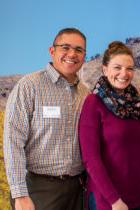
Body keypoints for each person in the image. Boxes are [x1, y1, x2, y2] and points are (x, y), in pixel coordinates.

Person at [3, 28, 90, 210]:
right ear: (52, 51)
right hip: (40, 191)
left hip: (78, 190)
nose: (72, 54)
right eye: (65, 47)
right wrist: (19, 194)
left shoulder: (86, 93)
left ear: (84, 55)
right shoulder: (29, 86)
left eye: (79, 50)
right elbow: (13, 142)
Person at [79, 41, 140, 210]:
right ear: (105, 69)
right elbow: (90, 159)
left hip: (138, 197)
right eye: (117, 67)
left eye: (129, 68)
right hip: (108, 201)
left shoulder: (137, 103)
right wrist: (114, 200)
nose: (124, 73)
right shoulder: (94, 103)